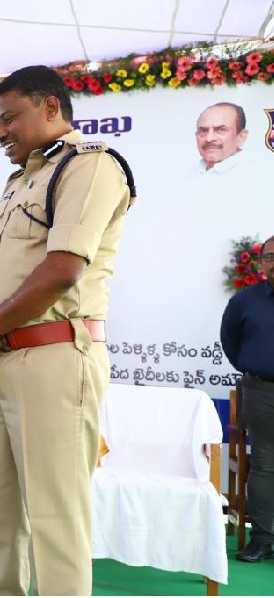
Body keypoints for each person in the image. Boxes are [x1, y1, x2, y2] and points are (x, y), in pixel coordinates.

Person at [0, 65, 134, 595]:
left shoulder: (90, 165)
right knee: (0, 515)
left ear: (51, 106)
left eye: (9, 118)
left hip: (55, 357)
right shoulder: (19, 180)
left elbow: (62, 271)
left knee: (55, 518)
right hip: (2, 363)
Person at [220, 235, 274, 563]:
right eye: (270, 256)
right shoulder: (245, 301)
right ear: (262, 262)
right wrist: (255, 368)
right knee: (265, 465)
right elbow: (230, 342)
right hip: (262, 393)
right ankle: (263, 538)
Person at [195, 102, 248, 174]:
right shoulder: (189, 175)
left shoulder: (252, 176)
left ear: (241, 136)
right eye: (203, 131)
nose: (209, 138)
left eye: (221, 130)